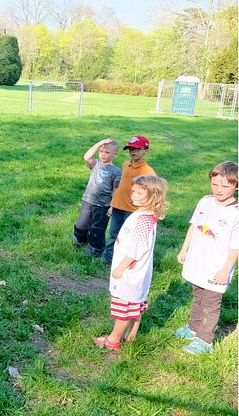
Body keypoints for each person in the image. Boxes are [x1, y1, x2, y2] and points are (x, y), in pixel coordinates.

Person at [93, 175, 168, 350]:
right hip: (136, 272)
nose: (133, 195)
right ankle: (131, 334)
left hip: (129, 272)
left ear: (153, 196)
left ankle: (113, 340)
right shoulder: (146, 214)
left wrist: (120, 267)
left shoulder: (143, 220)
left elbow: (136, 250)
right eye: (133, 191)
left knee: (124, 309)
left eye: (139, 193)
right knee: (134, 303)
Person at [176, 161, 238, 355]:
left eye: (225, 186)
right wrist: (184, 249)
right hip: (197, 261)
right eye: (215, 184)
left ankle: (205, 340)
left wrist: (225, 269)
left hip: (216, 267)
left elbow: (235, 246)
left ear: (236, 186)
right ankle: (193, 327)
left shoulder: (236, 212)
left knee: (211, 304)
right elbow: (194, 226)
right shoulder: (205, 201)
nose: (219, 189)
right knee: (198, 296)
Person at [102, 135, 156, 264]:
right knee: (114, 233)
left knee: (129, 236)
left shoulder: (148, 171)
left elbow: (153, 190)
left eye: (137, 149)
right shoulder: (125, 165)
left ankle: (126, 260)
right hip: (118, 205)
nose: (133, 152)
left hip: (132, 210)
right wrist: (112, 203)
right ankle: (109, 257)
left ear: (146, 151)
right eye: (131, 149)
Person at [74, 139, 121, 257]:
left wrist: (112, 206)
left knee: (97, 229)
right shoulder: (96, 164)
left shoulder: (116, 171)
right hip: (88, 201)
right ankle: (80, 241)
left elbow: (116, 191)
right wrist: (100, 143)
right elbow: (86, 156)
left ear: (114, 153)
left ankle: (95, 249)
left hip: (103, 206)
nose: (103, 154)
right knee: (81, 225)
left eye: (107, 152)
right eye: (101, 151)